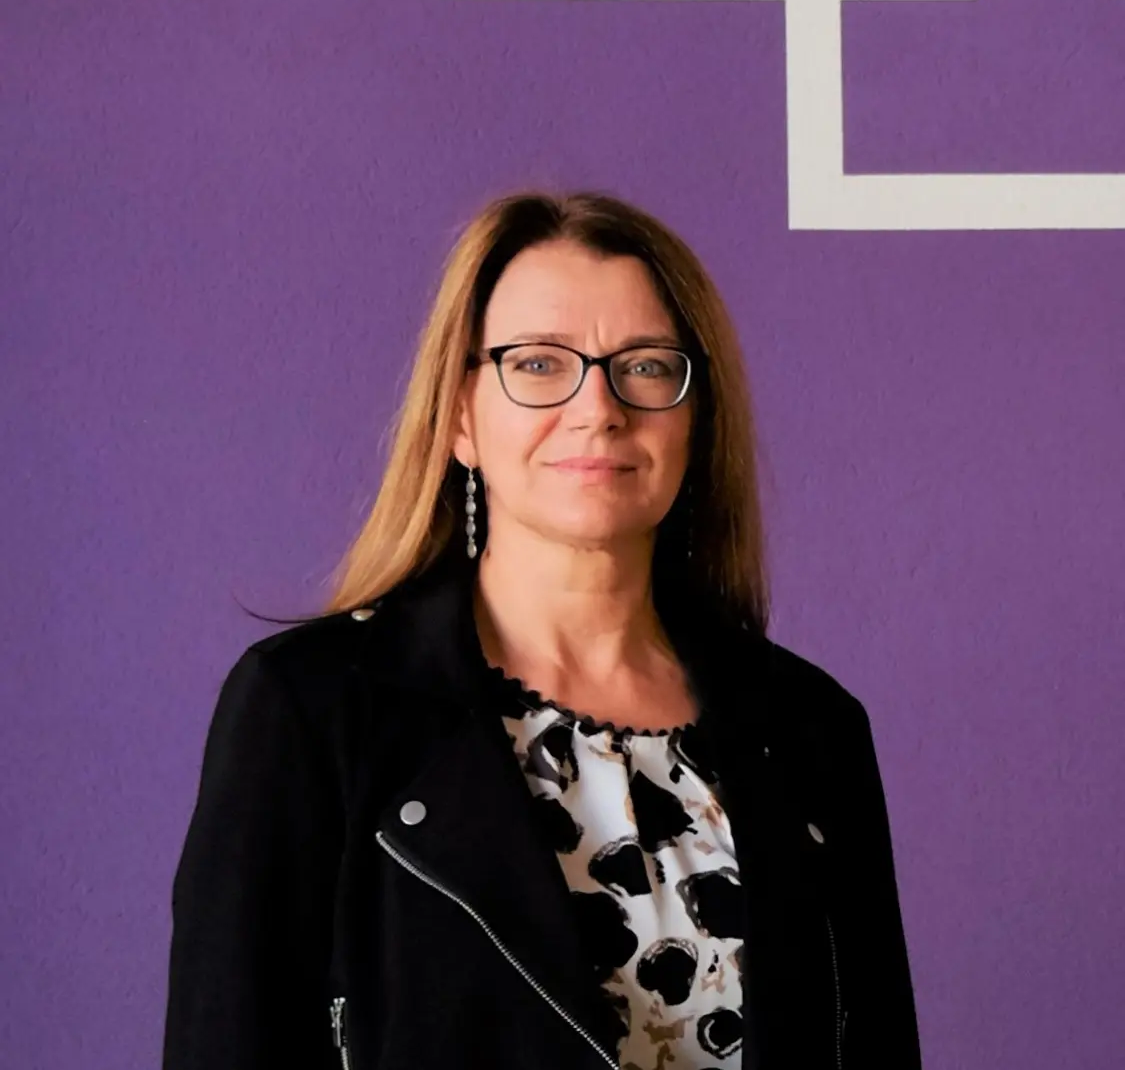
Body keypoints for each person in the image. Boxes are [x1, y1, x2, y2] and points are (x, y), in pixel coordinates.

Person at [162, 191, 922, 1070]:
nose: (598, 407)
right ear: (459, 415)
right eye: (536, 363)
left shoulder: (810, 728)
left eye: (644, 365)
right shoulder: (312, 709)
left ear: (695, 414)